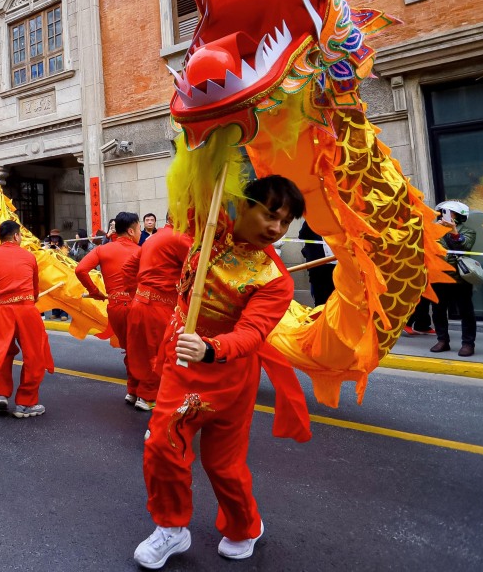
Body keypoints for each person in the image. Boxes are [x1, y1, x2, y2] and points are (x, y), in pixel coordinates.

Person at [133, 176, 311, 569]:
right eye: (270, 215)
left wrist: (211, 348)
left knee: (223, 464)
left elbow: (251, 334)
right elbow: (196, 175)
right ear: (243, 206)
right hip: (181, 361)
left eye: (285, 223)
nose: (276, 229)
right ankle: (171, 528)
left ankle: (245, 526)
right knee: (163, 444)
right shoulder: (210, 225)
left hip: (227, 372)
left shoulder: (275, 280)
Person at [0, 220, 54, 418]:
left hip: (0, 310)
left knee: (1, 351)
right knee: (34, 355)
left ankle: (2, 393)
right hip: (26, 310)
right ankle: (25, 403)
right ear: (17, 236)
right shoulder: (29, 256)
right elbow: (35, 289)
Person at [122, 216, 192, 411]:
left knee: (138, 349)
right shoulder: (181, 239)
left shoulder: (152, 239)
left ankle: (133, 390)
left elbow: (128, 268)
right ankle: (147, 396)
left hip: (139, 302)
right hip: (159, 305)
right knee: (157, 351)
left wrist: (137, 293)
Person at [75, 212, 142, 402]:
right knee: (141, 351)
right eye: (138, 229)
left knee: (130, 350)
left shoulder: (103, 250)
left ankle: (133, 390)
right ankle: (143, 394)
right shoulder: (141, 250)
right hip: (137, 306)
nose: (139, 232)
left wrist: (95, 292)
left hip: (115, 308)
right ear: (130, 231)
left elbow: (80, 269)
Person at [425, 201, 479, 357]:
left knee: (466, 311)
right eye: (443, 212)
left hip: (460, 278)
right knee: (438, 310)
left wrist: (453, 231)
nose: (445, 216)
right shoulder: (434, 230)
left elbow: (464, 246)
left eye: (450, 213)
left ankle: (468, 343)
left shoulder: (468, 231)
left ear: (460, 216)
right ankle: (442, 340)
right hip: (438, 276)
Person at [299, 221, 335, 307]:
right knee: (321, 298)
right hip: (318, 268)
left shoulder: (338, 226)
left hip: (336, 266)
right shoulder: (311, 223)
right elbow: (302, 235)